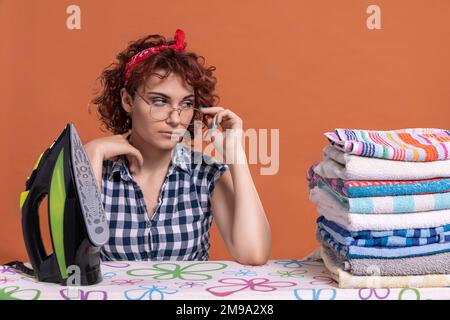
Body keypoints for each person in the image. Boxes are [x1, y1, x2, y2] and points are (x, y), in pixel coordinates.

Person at [84, 29, 271, 265]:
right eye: (159, 101)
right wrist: (91, 154)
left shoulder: (205, 174)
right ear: (127, 101)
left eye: (186, 104)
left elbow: (253, 253)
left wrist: (236, 155)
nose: (175, 118)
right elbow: (73, 256)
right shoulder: (98, 166)